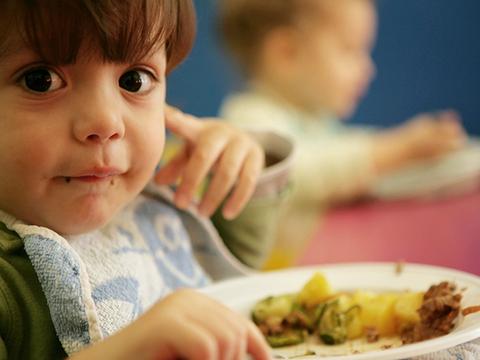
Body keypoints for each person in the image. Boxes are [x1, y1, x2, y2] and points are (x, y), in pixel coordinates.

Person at [0, 1, 285, 359]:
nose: (106, 123)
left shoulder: (148, 209)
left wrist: (236, 170)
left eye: (134, 80)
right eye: (41, 80)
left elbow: (231, 273)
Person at [217, 0, 467, 267]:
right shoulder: (248, 120)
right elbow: (300, 172)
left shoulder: (316, 121)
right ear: (287, 51)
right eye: (350, 50)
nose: (368, 69)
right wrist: (396, 149)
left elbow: (346, 152)